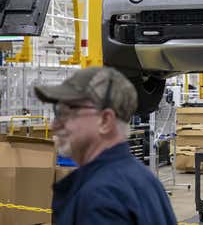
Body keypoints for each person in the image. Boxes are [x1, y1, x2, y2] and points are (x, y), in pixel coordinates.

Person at [34, 67, 176, 225]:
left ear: (105, 121)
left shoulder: (100, 196)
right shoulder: (144, 180)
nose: (55, 125)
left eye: (66, 112)